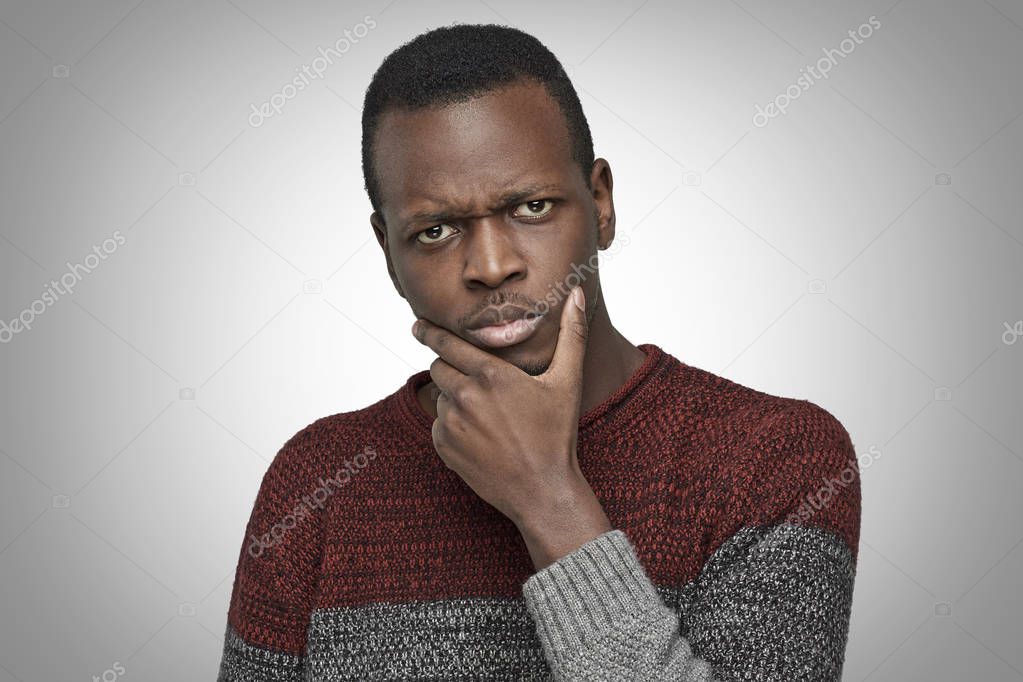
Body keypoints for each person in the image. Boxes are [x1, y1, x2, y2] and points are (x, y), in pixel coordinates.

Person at [217, 23, 860, 681]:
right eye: (434, 231)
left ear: (600, 203)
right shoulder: (319, 478)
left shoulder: (775, 456)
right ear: (388, 252)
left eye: (530, 207)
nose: (491, 266)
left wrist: (548, 499)